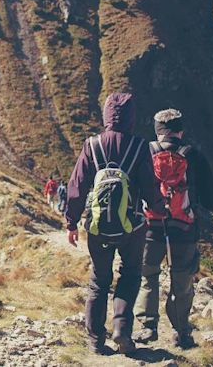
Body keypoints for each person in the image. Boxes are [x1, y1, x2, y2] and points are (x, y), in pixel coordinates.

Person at [65, 92, 164, 355]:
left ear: (106, 115)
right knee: (130, 275)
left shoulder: (92, 145)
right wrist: (158, 209)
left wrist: (71, 222)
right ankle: (121, 329)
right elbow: (149, 187)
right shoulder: (140, 146)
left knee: (99, 280)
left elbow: (76, 187)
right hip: (132, 227)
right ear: (132, 118)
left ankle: (96, 341)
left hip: (97, 228)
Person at [134, 109, 213, 349]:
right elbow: (209, 200)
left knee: (148, 276)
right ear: (180, 130)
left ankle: (147, 326)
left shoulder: (145, 153)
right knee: (181, 281)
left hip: (150, 227)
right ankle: (181, 333)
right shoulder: (194, 156)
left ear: (157, 130)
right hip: (183, 229)